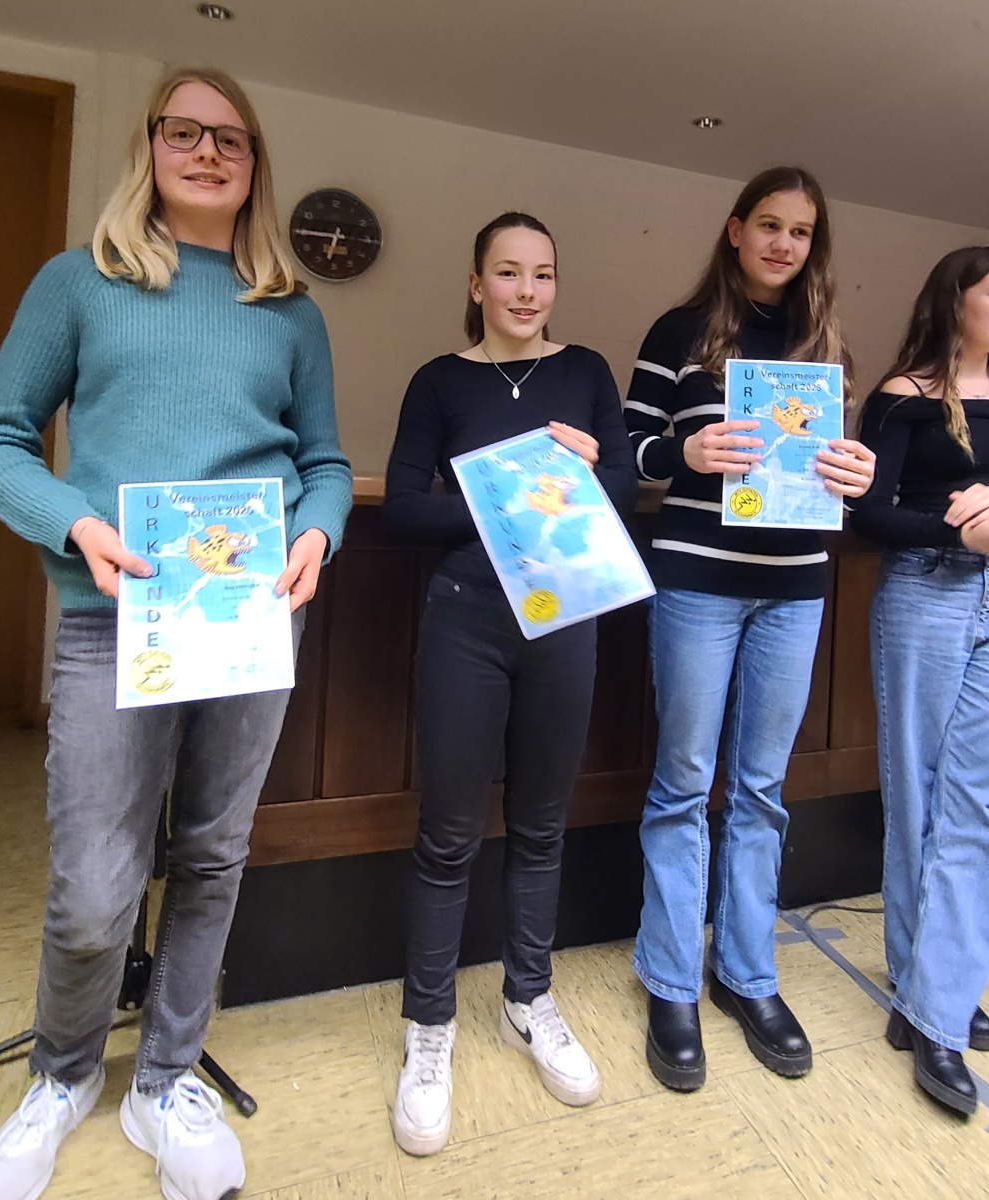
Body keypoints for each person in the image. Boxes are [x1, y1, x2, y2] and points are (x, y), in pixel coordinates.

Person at [0, 68, 351, 1200]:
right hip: (113, 622)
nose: (206, 152)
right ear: (149, 146)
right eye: (183, 132)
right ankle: (61, 1074)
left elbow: (326, 463)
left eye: (230, 139)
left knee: (211, 858)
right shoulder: (77, 284)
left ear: (254, 164)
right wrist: (75, 523)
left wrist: (318, 534)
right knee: (95, 888)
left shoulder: (290, 311)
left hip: (248, 626)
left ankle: (166, 1078)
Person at [381, 212, 636, 1155]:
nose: (527, 291)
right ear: (477, 283)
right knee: (448, 834)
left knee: (541, 826)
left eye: (542, 274)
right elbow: (402, 507)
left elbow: (621, 495)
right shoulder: (438, 381)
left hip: (565, 617)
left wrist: (585, 477)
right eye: (507, 272)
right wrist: (503, 491)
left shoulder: (587, 372)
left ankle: (529, 999)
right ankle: (429, 1027)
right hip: (466, 620)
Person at [623, 166, 875, 1092]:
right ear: (735, 231)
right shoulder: (677, 330)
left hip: (795, 588)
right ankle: (670, 982)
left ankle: (746, 974)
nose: (782, 244)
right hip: (696, 580)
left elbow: (835, 473)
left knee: (763, 790)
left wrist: (856, 474)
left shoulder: (824, 346)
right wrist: (682, 451)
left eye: (800, 232)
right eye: (768, 225)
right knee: (684, 783)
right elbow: (625, 450)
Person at [851, 246, 989, 1117]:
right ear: (955, 300)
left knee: (985, 799)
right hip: (923, 594)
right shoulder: (902, 394)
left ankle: (936, 1005)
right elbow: (867, 513)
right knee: (919, 795)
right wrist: (951, 529)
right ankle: (922, 985)